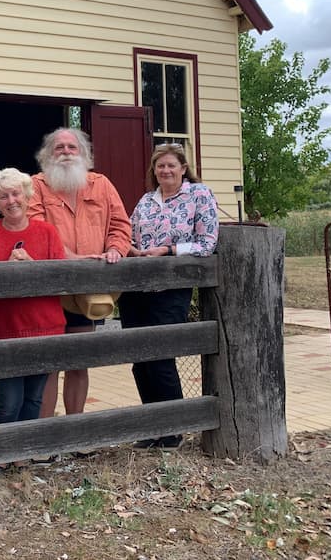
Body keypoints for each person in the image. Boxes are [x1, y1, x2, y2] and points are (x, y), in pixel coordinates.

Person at [27, 128, 132, 421]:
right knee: (49, 364)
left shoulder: (102, 185)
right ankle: (46, 434)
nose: (65, 152)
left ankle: (76, 432)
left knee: (78, 362)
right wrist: (72, 259)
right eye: (58, 147)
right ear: (47, 155)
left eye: (72, 147)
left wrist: (115, 250)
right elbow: (36, 230)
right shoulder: (35, 186)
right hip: (49, 291)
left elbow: (121, 226)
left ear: (84, 154)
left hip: (87, 292)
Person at [123, 143, 219, 450]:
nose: (165, 170)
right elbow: (130, 233)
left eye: (171, 165)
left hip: (171, 287)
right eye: (160, 166)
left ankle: (173, 428)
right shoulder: (146, 201)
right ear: (154, 170)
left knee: (161, 356)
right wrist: (131, 248)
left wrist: (167, 250)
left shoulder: (198, 195)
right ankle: (153, 426)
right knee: (139, 359)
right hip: (137, 287)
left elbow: (207, 243)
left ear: (183, 168)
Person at [0, 168, 66, 427]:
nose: (11, 201)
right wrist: (5, 268)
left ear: (27, 197)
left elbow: (62, 278)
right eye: (3, 196)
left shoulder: (47, 231)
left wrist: (32, 266)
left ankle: (23, 457)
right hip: (5, 328)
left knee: (34, 398)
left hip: (45, 326)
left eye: (16, 194)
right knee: (9, 398)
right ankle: (2, 457)